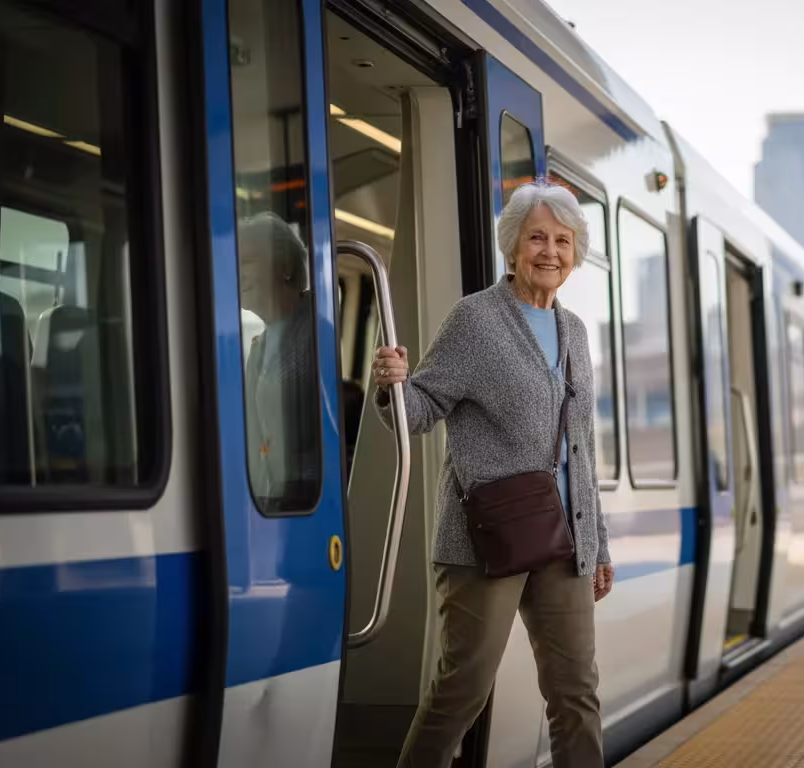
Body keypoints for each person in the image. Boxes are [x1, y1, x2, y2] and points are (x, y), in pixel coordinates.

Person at [372, 180, 613, 767]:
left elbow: (579, 445)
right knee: (463, 689)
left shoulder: (575, 331)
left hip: (564, 541)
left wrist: (597, 545)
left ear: (575, 254)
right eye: (537, 238)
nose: (550, 251)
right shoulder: (475, 320)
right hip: (484, 539)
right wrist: (394, 386)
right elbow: (422, 410)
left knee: (575, 693)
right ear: (513, 246)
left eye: (563, 240)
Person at [237, 212, 320, 511]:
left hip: (307, 498)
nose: (238, 272)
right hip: (270, 501)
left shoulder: (316, 332)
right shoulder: (259, 348)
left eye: (247, 262)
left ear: (284, 267)